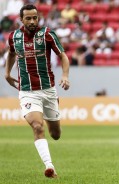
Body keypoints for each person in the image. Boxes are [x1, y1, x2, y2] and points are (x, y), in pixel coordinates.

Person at [5, 4, 70, 178]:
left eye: (35, 17)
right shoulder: (14, 37)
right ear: (21, 19)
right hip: (27, 91)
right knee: (37, 126)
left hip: (48, 90)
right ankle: (50, 167)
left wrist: (65, 75)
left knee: (55, 134)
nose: (33, 21)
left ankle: (52, 114)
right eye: (29, 18)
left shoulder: (47, 34)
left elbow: (63, 55)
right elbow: (11, 53)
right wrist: (7, 73)